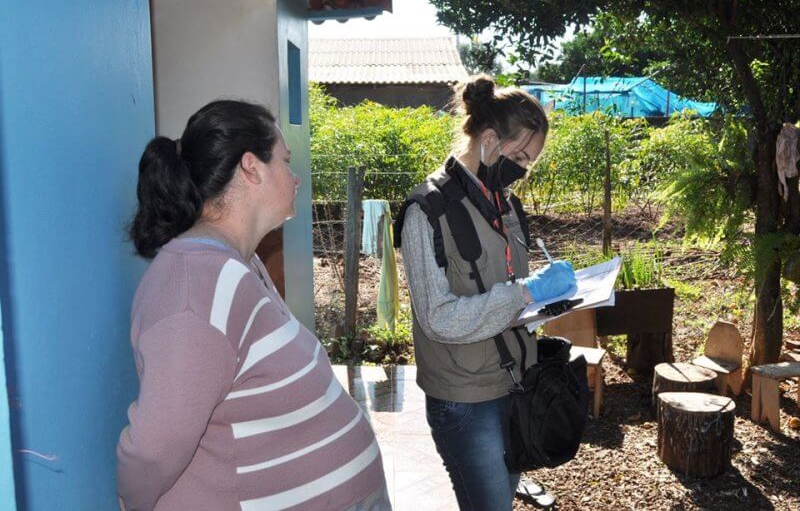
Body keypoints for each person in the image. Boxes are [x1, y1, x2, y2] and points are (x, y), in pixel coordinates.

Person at [116, 100, 390, 511]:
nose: (296, 178)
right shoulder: (195, 286)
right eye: (285, 160)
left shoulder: (238, 263)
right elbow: (156, 445)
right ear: (251, 167)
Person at [395, 75, 576, 510]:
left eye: (529, 163)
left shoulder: (506, 204)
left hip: (513, 383)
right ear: (489, 139)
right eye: (518, 157)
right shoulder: (427, 211)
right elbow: (439, 318)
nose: (522, 170)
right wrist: (525, 294)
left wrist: (550, 298)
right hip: (464, 398)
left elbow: (511, 289)